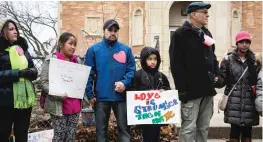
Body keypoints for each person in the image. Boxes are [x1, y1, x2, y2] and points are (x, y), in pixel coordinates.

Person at [169, 2, 222, 142]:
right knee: (188, 128)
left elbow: (213, 57)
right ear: (193, 14)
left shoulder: (206, 33)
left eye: (207, 12)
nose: (207, 14)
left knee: (203, 127)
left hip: (208, 90)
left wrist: (218, 75)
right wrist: (182, 91)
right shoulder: (180, 35)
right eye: (204, 12)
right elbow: (176, 65)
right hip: (191, 92)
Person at [84, 19, 136, 142]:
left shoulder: (126, 50)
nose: (113, 33)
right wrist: (90, 94)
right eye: (110, 30)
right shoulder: (94, 50)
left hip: (121, 97)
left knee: (124, 131)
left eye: (115, 30)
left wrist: (124, 83)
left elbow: (131, 70)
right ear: (104, 31)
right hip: (101, 97)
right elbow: (88, 74)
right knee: (101, 132)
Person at [40, 32, 82, 141]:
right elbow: (43, 82)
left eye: (75, 44)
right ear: (61, 44)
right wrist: (57, 93)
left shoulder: (77, 61)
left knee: (71, 136)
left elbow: (80, 81)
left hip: (75, 106)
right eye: (70, 44)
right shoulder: (51, 60)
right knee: (59, 136)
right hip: (58, 106)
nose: (73, 47)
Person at [0, 19, 38, 142]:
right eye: (11, 29)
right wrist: (17, 73)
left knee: (22, 133)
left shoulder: (23, 50)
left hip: (24, 100)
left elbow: (34, 69)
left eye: (16, 29)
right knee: (3, 133)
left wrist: (31, 72)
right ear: (2, 32)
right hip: (5, 100)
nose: (15, 32)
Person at [219, 31, 259, 142]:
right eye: (242, 42)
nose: (245, 44)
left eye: (247, 42)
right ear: (237, 43)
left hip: (249, 101)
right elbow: (222, 80)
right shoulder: (228, 60)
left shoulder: (255, 60)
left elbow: (258, 81)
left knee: (247, 133)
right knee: (234, 132)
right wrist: (214, 78)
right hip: (234, 101)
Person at [132, 46, 170, 142]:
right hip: (143, 115)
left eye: (155, 59)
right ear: (144, 60)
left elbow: (168, 91)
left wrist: (163, 91)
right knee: (145, 137)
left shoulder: (161, 76)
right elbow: (132, 92)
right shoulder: (137, 75)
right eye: (149, 59)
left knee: (155, 137)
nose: (153, 62)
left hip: (157, 115)